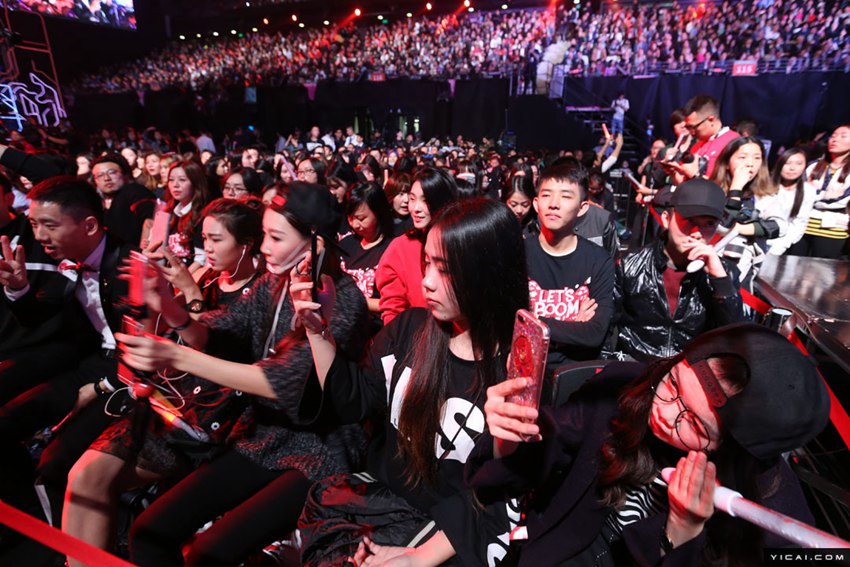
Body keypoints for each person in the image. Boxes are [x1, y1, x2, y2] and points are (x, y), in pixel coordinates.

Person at [118, 183, 370, 566]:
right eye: (264, 235)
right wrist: (169, 305)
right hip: (263, 435)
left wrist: (175, 355)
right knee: (149, 532)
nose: (263, 246)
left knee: (207, 554)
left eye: (276, 237)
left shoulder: (344, 298)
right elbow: (219, 331)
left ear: (315, 244)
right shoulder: (273, 283)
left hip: (319, 450)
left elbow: (282, 380)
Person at [469, 323, 830, 566]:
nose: (664, 413)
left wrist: (683, 534)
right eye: (672, 384)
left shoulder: (773, 511)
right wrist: (509, 435)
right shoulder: (622, 389)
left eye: (694, 423)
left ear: (730, 450)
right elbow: (542, 450)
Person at [292, 198, 529, 566]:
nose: (426, 282)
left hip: (448, 538)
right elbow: (354, 400)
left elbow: (499, 497)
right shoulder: (409, 329)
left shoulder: (516, 379)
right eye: (427, 263)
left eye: (445, 270)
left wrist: (417, 557)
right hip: (379, 509)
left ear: (490, 273)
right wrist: (318, 330)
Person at [62, 198, 265, 566]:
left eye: (217, 239)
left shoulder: (261, 293)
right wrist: (152, 294)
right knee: (81, 478)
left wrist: (189, 294)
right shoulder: (205, 276)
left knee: (96, 483)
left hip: (210, 418)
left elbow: (208, 345)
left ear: (247, 244)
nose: (207, 248)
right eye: (205, 239)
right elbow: (152, 334)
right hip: (166, 402)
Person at [614, 178, 743, 362]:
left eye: (709, 224)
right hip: (635, 368)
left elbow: (735, 339)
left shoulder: (724, 273)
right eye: (689, 221)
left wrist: (721, 282)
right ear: (666, 219)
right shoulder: (630, 265)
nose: (697, 233)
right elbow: (608, 330)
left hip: (690, 371)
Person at [525, 163, 615, 368]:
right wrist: (572, 325)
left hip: (575, 374)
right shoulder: (517, 254)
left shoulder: (599, 261)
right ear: (536, 203)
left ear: (583, 207)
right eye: (546, 195)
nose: (554, 204)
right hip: (524, 368)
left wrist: (533, 321)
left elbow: (594, 333)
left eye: (566, 196)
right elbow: (505, 322)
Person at [376, 167, 457, 325]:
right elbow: (393, 309)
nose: (416, 209)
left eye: (425, 200)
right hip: (417, 335)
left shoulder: (460, 241)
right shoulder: (401, 248)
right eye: (412, 199)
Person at [710, 137, 786, 286]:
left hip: (743, 269)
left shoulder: (764, 196)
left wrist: (741, 229)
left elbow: (781, 226)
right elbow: (722, 227)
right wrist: (736, 189)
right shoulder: (712, 191)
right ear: (726, 163)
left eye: (757, 158)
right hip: (710, 262)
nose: (750, 163)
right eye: (742, 157)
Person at [788, 124, 850, 258]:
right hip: (803, 226)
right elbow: (800, 193)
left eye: (843, 136)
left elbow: (841, 201)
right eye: (833, 136)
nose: (835, 139)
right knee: (792, 266)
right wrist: (825, 195)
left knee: (821, 269)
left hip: (833, 230)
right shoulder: (814, 165)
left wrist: (813, 196)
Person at [339, 181, 396, 322]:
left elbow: (392, 302)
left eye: (361, 219)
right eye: (350, 218)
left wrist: (353, 301)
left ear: (378, 214)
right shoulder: (346, 243)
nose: (354, 224)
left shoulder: (392, 249)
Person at [91, 152, 155, 248]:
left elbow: (151, 221)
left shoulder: (134, 191)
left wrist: (144, 253)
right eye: (100, 175)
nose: (106, 178)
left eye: (112, 172)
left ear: (125, 175)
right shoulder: (96, 203)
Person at [767, 148, 816, 256]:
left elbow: (799, 223)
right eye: (787, 163)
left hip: (781, 245)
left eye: (799, 164)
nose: (792, 168)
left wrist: (777, 249)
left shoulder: (808, 191)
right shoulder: (766, 185)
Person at [164, 160, 209, 274]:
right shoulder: (172, 212)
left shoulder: (202, 216)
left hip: (190, 277)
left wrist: (181, 280)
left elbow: (201, 259)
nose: (175, 185)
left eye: (182, 180)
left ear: (195, 183)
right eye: (171, 180)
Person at [384, 171, 413, 236]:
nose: (406, 200)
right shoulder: (382, 223)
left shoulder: (415, 224)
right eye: (401, 194)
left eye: (410, 194)